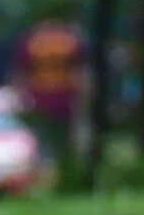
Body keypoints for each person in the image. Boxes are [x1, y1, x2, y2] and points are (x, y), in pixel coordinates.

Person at [14, 12, 89, 167]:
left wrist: (21, 98)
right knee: (67, 142)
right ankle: (67, 170)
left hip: (39, 97)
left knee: (45, 143)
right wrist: (85, 97)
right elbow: (81, 72)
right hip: (67, 97)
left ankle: (50, 172)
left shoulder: (32, 41)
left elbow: (21, 73)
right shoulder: (71, 40)